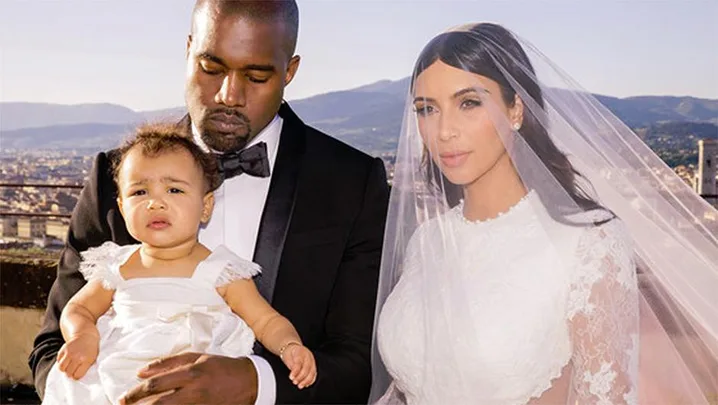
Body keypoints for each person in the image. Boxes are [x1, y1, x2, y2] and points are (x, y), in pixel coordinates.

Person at [29, 1, 390, 404]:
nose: (227, 95)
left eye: (256, 76)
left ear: (289, 71)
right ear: (188, 51)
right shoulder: (114, 175)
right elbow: (50, 347)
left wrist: (258, 385)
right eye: (211, 69)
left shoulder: (352, 183)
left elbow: (359, 362)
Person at [369, 22, 718, 404]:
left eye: (469, 103)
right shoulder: (426, 241)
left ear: (516, 108)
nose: (444, 130)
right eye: (427, 109)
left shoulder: (588, 242)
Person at [42, 125, 317, 405]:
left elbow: (265, 320)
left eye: (174, 189)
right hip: (113, 381)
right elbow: (78, 308)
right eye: (139, 192)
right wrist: (82, 335)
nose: (155, 203)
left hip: (194, 387)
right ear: (122, 208)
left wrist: (289, 346)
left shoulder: (221, 271)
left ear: (206, 206)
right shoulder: (118, 266)